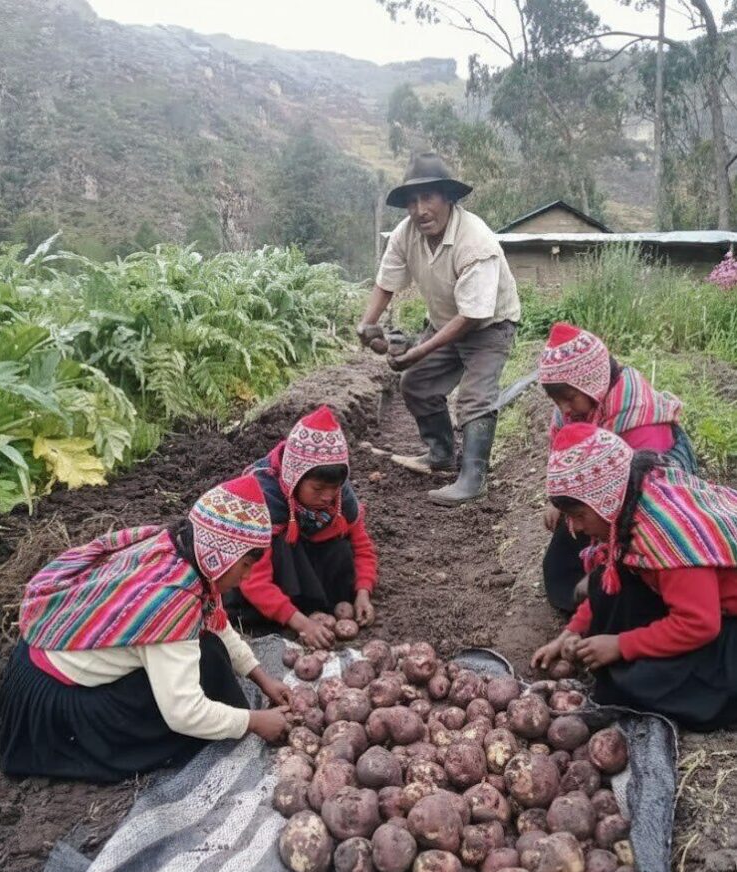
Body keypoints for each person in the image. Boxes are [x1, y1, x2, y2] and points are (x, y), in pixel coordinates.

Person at [0, 477, 291, 782]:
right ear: (222, 553)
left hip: (35, 666)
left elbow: (217, 620)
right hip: (56, 709)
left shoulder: (181, 549)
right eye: (245, 565)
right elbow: (185, 713)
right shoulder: (171, 602)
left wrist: (261, 676)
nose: (246, 577)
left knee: (210, 652)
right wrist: (253, 722)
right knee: (207, 673)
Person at [532, 423, 737, 730]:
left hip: (722, 622)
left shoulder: (668, 534)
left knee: (638, 688)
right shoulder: (629, 506)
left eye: (579, 515)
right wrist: (570, 632)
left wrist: (621, 644)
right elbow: (609, 577)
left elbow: (700, 623)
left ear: (604, 498)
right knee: (606, 581)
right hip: (704, 605)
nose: (575, 527)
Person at [356, 151, 520, 506]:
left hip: (489, 326)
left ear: (448, 198)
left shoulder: (476, 242)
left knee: (474, 398)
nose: (420, 210)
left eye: (428, 197)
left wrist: (416, 351)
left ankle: (473, 479)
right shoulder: (405, 233)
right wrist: (367, 323)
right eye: (412, 202)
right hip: (446, 321)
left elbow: (474, 316)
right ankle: (441, 454)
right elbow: (387, 282)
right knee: (416, 383)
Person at [539, 321, 697, 612]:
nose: (564, 409)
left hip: (645, 494)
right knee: (561, 567)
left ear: (592, 380)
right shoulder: (577, 406)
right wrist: (561, 502)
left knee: (632, 575)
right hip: (602, 492)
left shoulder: (639, 416)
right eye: (557, 400)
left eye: (569, 398)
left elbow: (638, 497)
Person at [231, 406, 377, 650]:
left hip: (310, 576)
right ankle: (291, 612)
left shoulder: (344, 501)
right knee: (280, 547)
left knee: (342, 547)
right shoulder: (263, 500)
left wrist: (363, 592)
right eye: (318, 489)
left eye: (335, 488)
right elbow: (252, 580)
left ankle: (315, 607)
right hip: (273, 582)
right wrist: (300, 623)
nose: (328, 498)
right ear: (294, 478)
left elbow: (363, 549)